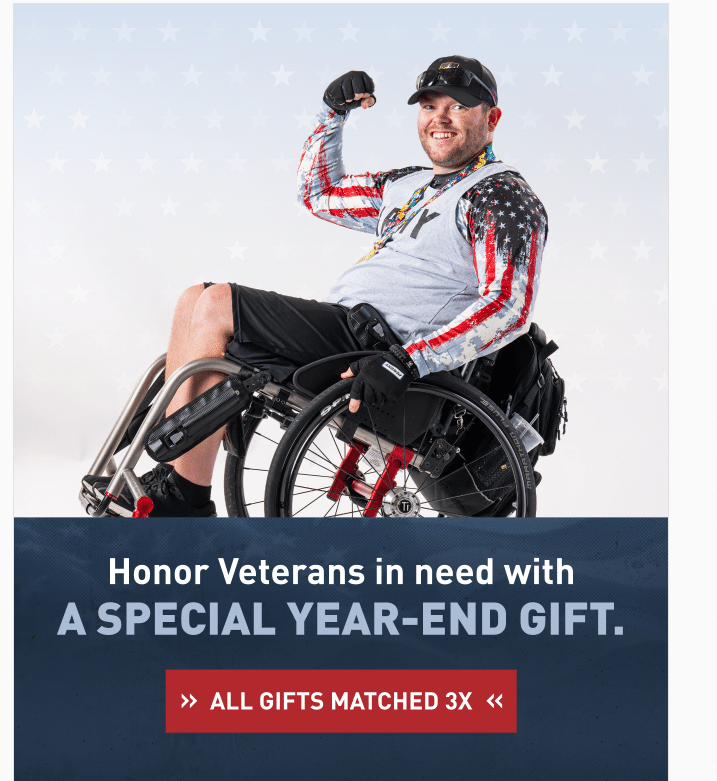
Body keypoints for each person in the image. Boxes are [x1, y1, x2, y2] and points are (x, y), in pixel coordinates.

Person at [114, 55, 548, 517]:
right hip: (347, 331)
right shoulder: (409, 186)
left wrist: (409, 360)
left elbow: (508, 308)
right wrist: (332, 116)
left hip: (388, 350)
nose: (439, 118)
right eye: (428, 105)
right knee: (194, 300)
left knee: (218, 303)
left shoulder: (501, 196)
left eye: (457, 106)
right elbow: (318, 194)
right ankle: (175, 473)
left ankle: (185, 499)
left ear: (491, 118)